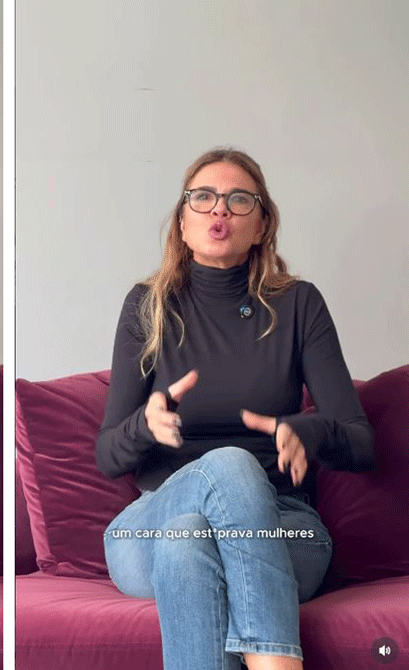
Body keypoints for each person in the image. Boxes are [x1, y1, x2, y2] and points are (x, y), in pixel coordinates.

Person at [96, 147, 375, 670]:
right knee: (225, 469)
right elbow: (109, 455)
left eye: (239, 199)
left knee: (187, 544)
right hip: (150, 525)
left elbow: (360, 443)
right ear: (182, 223)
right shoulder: (147, 306)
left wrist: (308, 431)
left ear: (262, 225)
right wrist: (144, 425)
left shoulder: (299, 305)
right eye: (203, 198)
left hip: (283, 524)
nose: (219, 209)